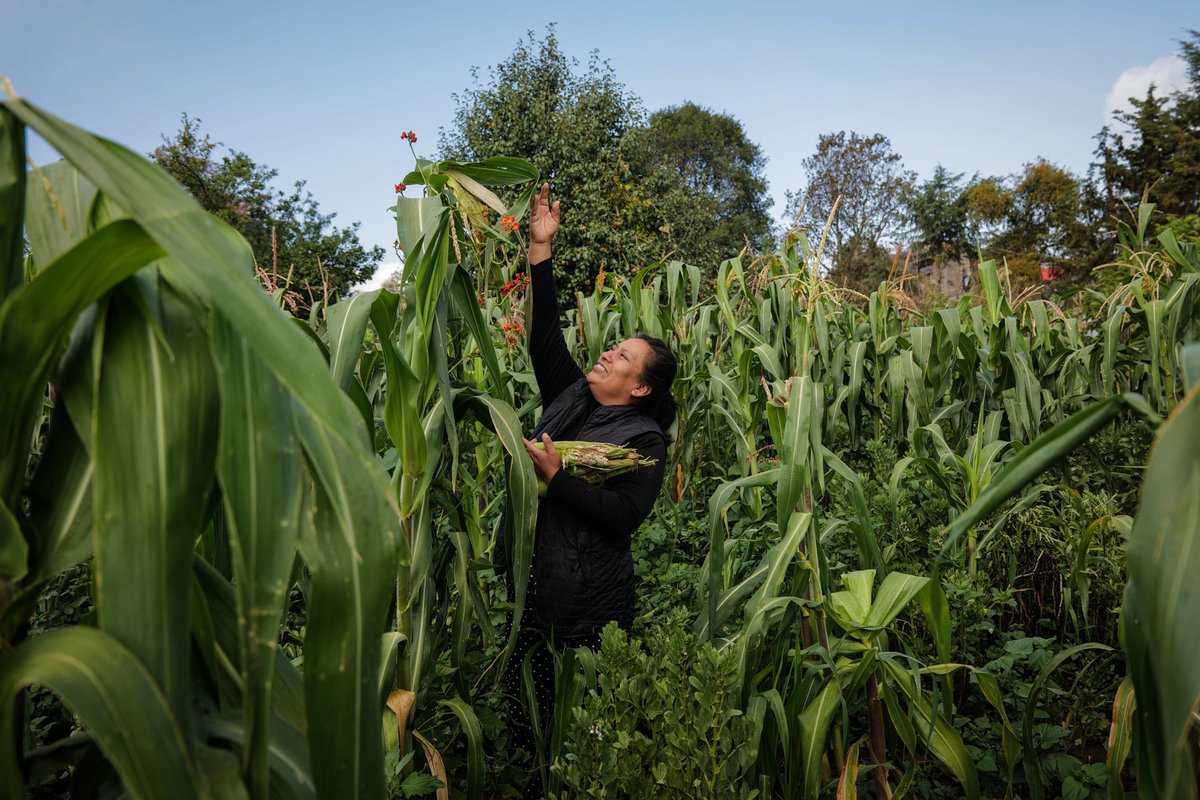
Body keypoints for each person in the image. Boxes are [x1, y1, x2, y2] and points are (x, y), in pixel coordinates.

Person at [497, 183, 677, 794]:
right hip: (534, 584)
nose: (606, 354)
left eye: (622, 357)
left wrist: (557, 478)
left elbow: (625, 515)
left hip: (587, 600)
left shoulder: (643, 438)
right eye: (612, 348)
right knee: (525, 710)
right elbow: (544, 333)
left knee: (579, 720)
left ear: (641, 387)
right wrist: (540, 249)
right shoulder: (571, 395)